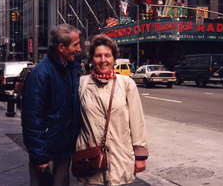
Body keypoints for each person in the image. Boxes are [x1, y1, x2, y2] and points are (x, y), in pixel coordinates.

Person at [75, 34, 148, 185]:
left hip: (120, 157)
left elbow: (137, 122)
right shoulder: (81, 84)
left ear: (114, 59)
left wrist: (140, 156)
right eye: (98, 55)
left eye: (107, 55)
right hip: (90, 159)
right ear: (91, 59)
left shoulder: (126, 84)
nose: (103, 60)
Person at [21, 24, 82, 186]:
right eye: (75, 44)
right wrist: (39, 155)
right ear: (61, 47)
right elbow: (32, 118)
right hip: (45, 150)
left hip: (64, 148)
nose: (79, 49)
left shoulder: (71, 68)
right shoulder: (40, 74)